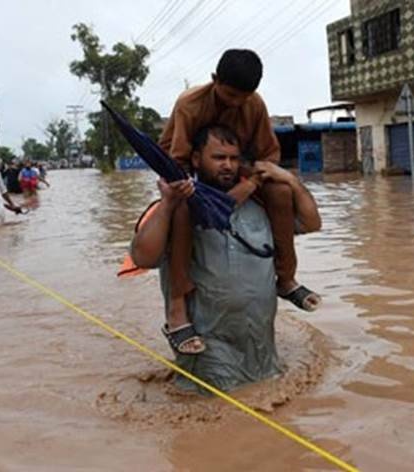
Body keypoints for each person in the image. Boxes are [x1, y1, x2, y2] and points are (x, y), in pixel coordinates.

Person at [131, 125, 321, 388]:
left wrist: (290, 180)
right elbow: (143, 257)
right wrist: (167, 203)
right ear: (197, 160)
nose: (228, 166)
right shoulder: (178, 210)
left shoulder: (262, 207)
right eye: (219, 158)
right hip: (208, 353)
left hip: (262, 353)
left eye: (233, 158)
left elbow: (312, 223)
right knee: (224, 416)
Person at [158, 49, 322, 352]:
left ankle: (286, 278)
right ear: (214, 80)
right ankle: (177, 310)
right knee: (180, 207)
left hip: (240, 171)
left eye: (243, 97)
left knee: (281, 191)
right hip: (190, 172)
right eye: (230, 94)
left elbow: (268, 156)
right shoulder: (189, 104)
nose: (236, 103)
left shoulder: (254, 104)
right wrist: (187, 189)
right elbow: (177, 161)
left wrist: (251, 182)